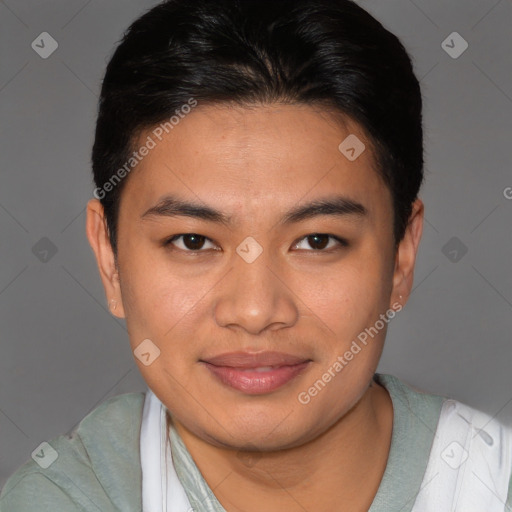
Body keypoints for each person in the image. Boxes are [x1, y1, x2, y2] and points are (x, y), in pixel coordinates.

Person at [1, 0, 511, 510]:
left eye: (317, 241)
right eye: (193, 241)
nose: (254, 311)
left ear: (402, 255)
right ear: (110, 260)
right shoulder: (64, 497)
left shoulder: (492, 482)